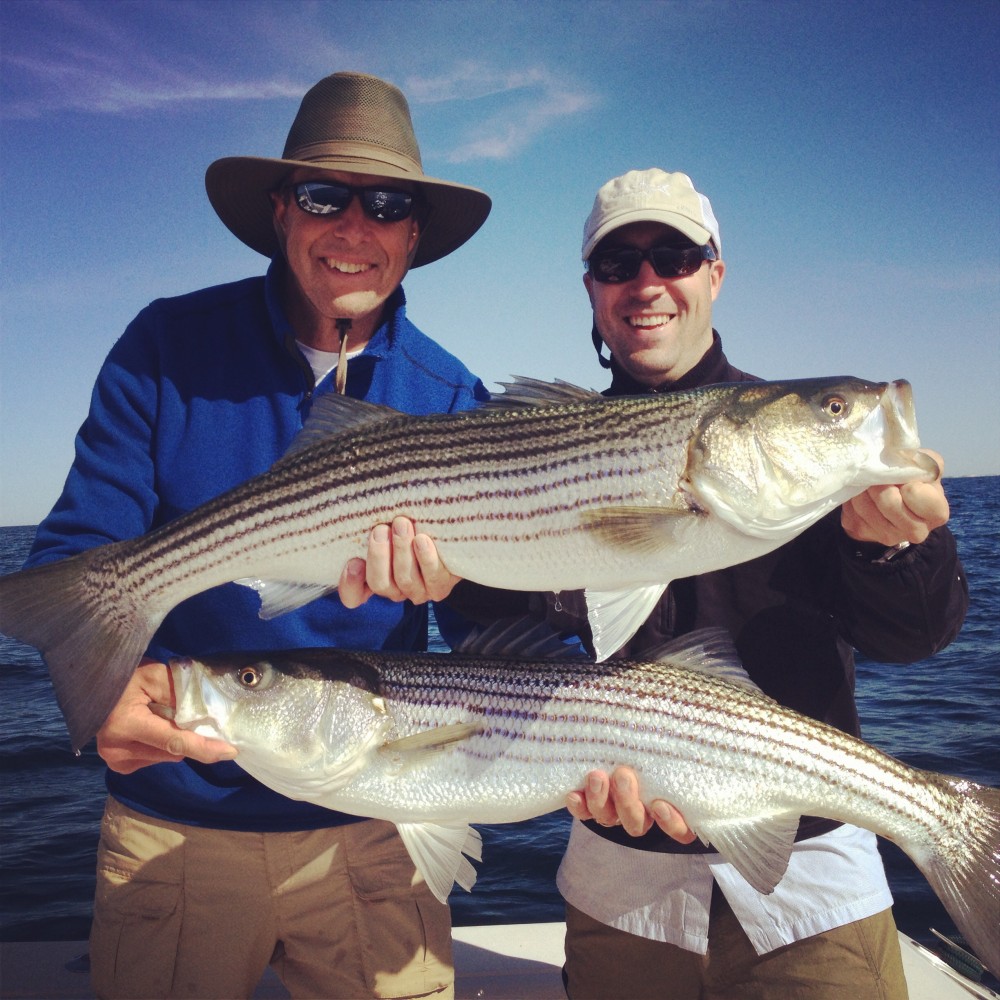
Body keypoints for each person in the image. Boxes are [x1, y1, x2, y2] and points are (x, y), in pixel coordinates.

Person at [350, 169, 969, 999]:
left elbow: (918, 637)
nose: (648, 284)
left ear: (715, 273)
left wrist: (896, 550)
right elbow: (496, 637)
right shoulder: (534, 446)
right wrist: (441, 578)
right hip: (621, 891)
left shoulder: (805, 463)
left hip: (808, 892)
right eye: (619, 263)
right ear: (592, 289)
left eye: (674, 256)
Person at [24, 71, 491, 1000]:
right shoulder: (166, 347)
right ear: (282, 211)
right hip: (176, 828)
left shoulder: (452, 400)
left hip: (376, 823)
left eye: (387, 204)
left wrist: (459, 590)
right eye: (325, 196)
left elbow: (490, 630)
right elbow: (76, 555)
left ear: (414, 234)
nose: (355, 228)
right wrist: (101, 694)